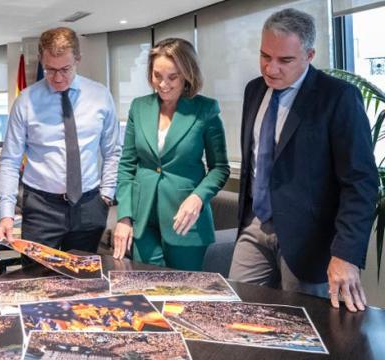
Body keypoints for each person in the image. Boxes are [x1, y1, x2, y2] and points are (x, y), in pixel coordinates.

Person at [229, 8, 378, 312]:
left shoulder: (338, 97)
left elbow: (360, 182)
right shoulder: (253, 90)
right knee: (235, 313)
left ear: (309, 55)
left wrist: (346, 254)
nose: (271, 69)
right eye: (265, 56)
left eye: (284, 60)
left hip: (310, 243)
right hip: (255, 226)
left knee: (307, 331)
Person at [0, 27, 120, 254]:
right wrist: (6, 213)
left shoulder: (100, 96)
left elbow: (112, 151)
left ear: (78, 60)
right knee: (36, 281)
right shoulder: (26, 101)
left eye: (65, 69)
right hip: (42, 207)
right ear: (42, 61)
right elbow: (10, 160)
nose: (58, 78)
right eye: (50, 70)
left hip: (89, 205)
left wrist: (106, 196)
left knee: (85, 281)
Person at [112, 38, 230, 270]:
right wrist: (124, 217)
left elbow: (220, 168)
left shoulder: (205, 109)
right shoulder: (139, 107)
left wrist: (198, 197)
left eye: (172, 77)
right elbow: (127, 166)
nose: (163, 84)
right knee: (145, 291)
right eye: (157, 76)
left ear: (187, 74)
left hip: (185, 222)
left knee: (184, 299)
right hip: (143, 220)